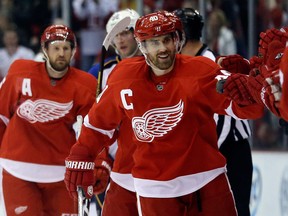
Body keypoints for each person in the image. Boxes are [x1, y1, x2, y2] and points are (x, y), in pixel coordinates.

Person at [64, 11, 264, 216]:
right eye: (153, 42)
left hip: (207, 181)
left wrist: (250, 91)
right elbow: (98, 123)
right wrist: (82, 154)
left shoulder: (201, 70)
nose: (162, 49)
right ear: (142, 46)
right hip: (154, 189)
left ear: (177, 41)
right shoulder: (123, 77)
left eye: (166, 40)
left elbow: (244, 109)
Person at [0, 24, 97, 215]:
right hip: (18, 168)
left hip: (62, 174)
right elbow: (1, 114)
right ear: (45, 50)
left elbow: (95, 132)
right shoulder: (20, 72)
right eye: (56, 48)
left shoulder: (85, 85)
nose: (61, 53)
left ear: (73, 51)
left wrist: (97, 164)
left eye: (66, 48)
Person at [174, 7, 253, 216]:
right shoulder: (191, 64)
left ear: (180, 37)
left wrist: (196, 154)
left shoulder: (207, 64)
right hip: (215, 152)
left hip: (230, 151)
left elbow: (223, 120)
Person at [87, 8, 142, 216]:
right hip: (111, 165)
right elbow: (89, 121)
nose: (121, 39)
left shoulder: (156, 67)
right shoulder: (100, 73)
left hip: (152, 160)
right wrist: (99, 158)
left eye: (125, 32)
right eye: (115, 35)